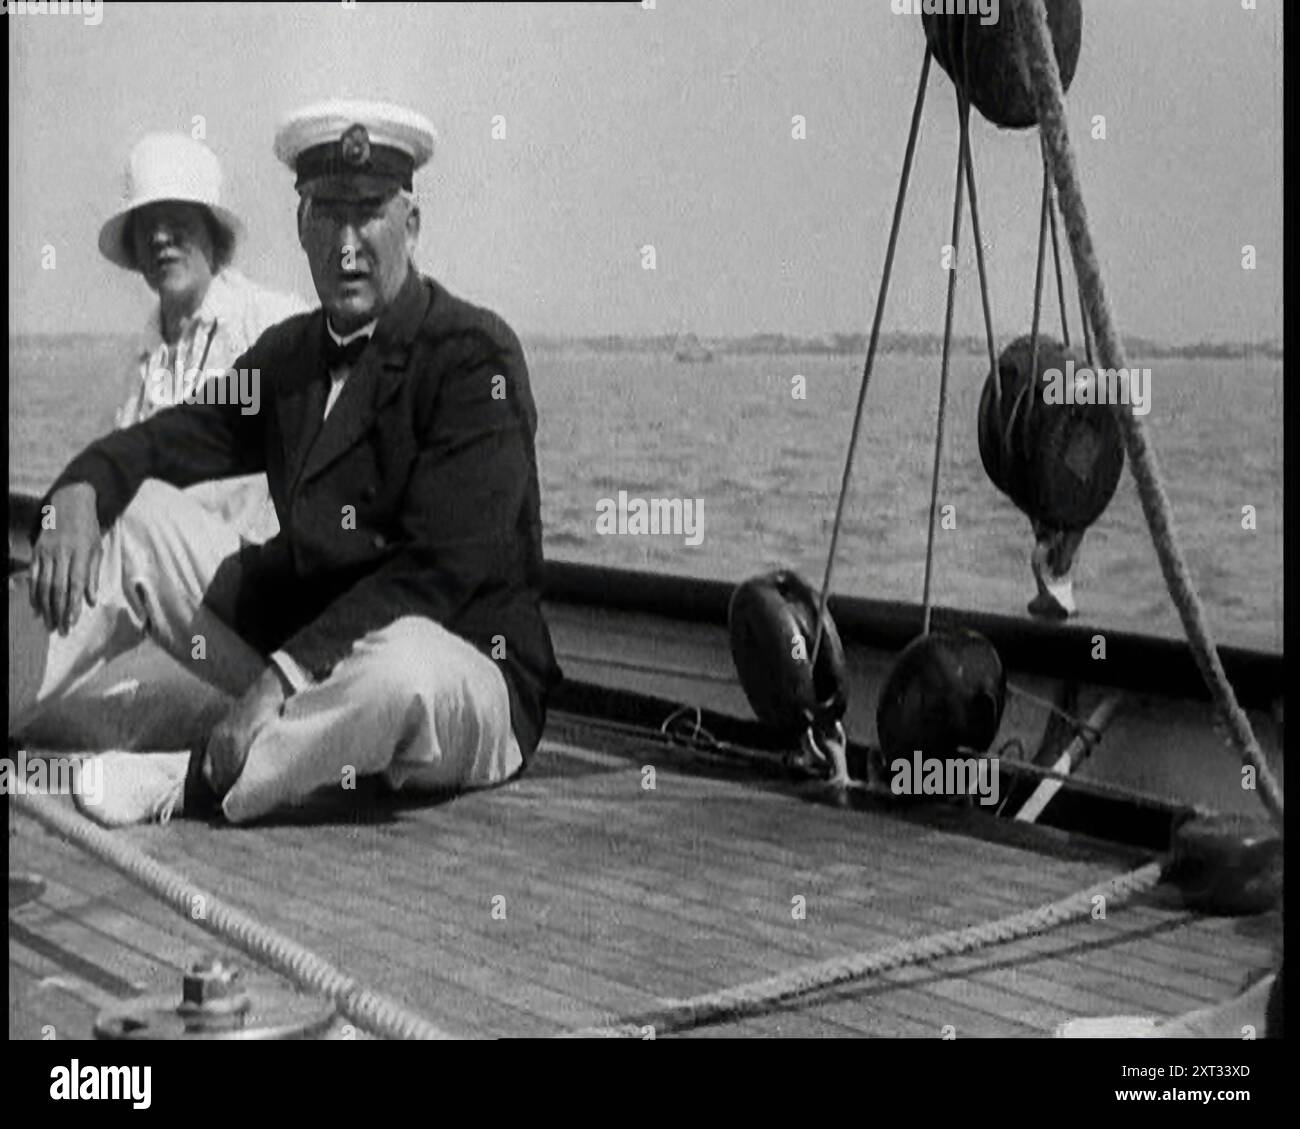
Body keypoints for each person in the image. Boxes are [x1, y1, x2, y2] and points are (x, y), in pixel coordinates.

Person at [11, 100, 561, 826]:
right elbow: (164, 441)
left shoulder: (472, 356)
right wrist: (78, 489)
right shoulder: (290, 357)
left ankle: (198, 775)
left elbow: (441, 572)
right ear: (302, 228)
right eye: (327, 215)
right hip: (308, 658)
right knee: (131, 515)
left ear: (413, 226)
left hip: (459, 667)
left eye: (369, 213)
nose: (348, 244)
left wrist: (278, 677)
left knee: (398, 671)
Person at [14, 133, 308, 754]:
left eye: (177, 224)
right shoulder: (145, 354)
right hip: (151, 608)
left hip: (240, 610)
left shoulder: (273, 324)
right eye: (147, 229)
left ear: (212, 232)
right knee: (55, 698)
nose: (160, 241)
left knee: (113, 717)